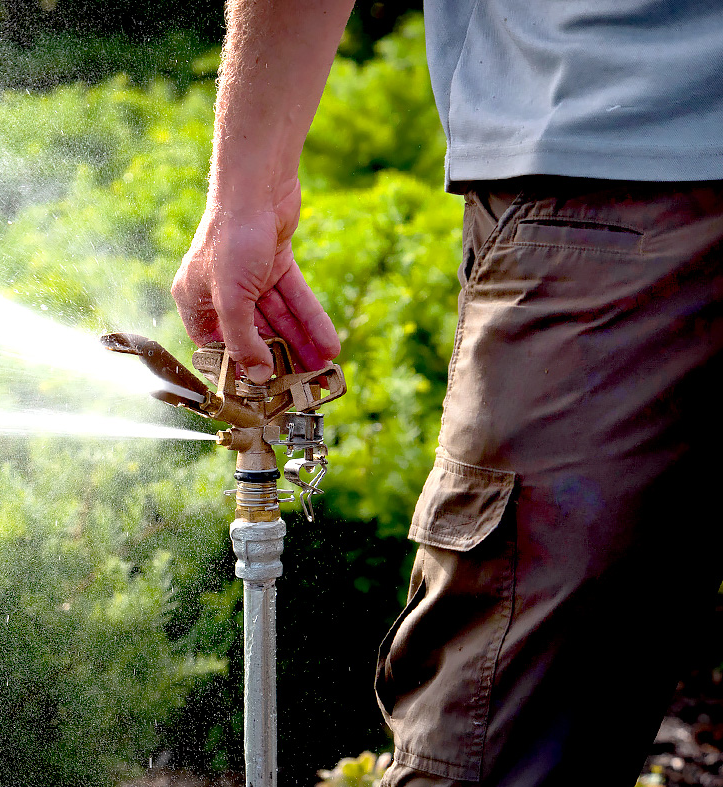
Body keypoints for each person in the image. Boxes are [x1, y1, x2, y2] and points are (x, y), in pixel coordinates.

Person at [170, 2, 723, 785]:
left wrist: (246, 193)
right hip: (610, 168)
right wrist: (247, 191)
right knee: (501, 735)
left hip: (603, 179)